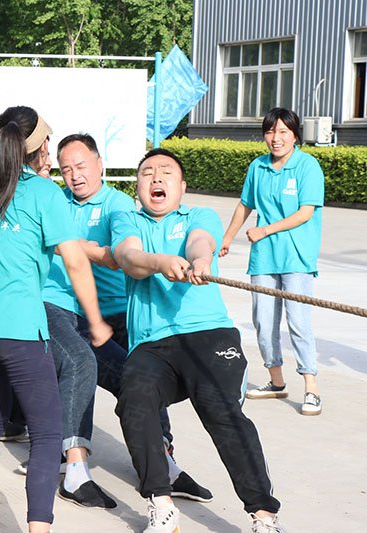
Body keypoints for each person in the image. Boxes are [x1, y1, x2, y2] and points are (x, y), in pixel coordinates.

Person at [0, 106, 113, 533]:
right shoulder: (43, 193)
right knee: (46, 434)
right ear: (39, 150)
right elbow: (75, 261)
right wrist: (96, 320)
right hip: (20, 331)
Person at [111, 148, 286, 533]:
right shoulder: (127, 219)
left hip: (208, 334)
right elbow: (128, 257)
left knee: (221, 410)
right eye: (147, 173)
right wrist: (159, 263)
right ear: (137, 186)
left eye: (166, 172)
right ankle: (161, 505)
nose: (156, 178)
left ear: (182, 186)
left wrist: (201, 261)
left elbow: (200, 242)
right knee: (134, 401)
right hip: (152, 344)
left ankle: (264, 515)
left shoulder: (199, 215)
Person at [36, 134, 212, 510]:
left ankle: (161, 459)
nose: (74, 175)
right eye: (66, 169)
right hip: (63, 306)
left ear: (100, 165)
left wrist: (66, 242)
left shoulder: (118, 206)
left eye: (81, 166)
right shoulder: (54, 200)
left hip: (116, 310)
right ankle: (75, 467)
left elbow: (119, 257)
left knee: (143, 374)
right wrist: (79, 246)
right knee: (82, 363)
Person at [221, 107, 324, 416]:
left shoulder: (307, 166)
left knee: (298, 322)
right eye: (270, 132)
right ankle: (276, 381)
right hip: (264, 257)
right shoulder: (258, 166)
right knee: (264, 322)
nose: (275, 138)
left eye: (282, 132)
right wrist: (227, 238)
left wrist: (265, 229)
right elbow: (245, 205)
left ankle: (311, 388)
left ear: (295, 135)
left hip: (296, 257)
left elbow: (305, 213)